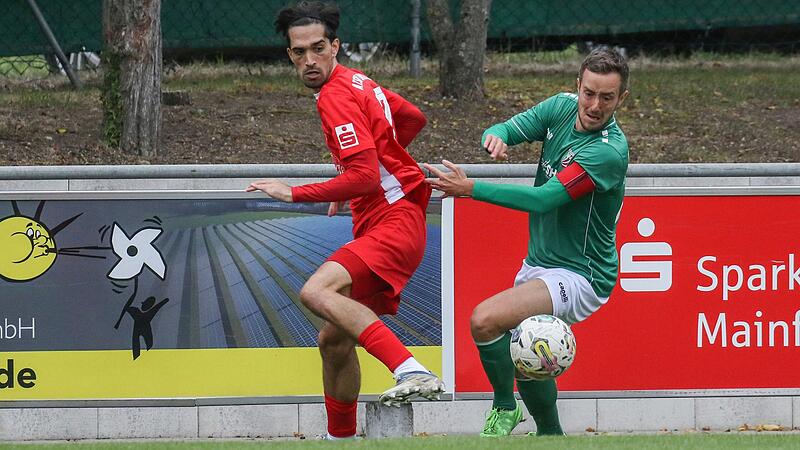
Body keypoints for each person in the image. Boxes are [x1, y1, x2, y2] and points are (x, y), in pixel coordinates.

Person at [245, 1, 443, 440]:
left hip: (394, 223)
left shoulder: (334, 96)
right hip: (398, 218)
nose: (309, 60)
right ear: (290, 55)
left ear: (335, 46)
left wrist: (294, 192)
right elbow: (412, 118)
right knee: (333, 342)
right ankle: (340, 440)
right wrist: (365, 175)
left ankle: (411, 369)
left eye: (318, 48)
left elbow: (365, 175)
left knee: (315, 291)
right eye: (299, 52)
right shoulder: (359, 81)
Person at [425, 47, 630, 437]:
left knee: (485, 320)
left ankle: (504, 407)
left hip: (583, 276)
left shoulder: (607, 151)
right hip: (540, 262)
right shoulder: (560, 108)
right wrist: (496, 138)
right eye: (589, 92)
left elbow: (542, 199)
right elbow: (504, 128)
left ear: (621, 99)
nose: (594, 105)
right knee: (530, 356)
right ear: (578, 86)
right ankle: (552, 436)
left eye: (607, 97)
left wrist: (470, 188)